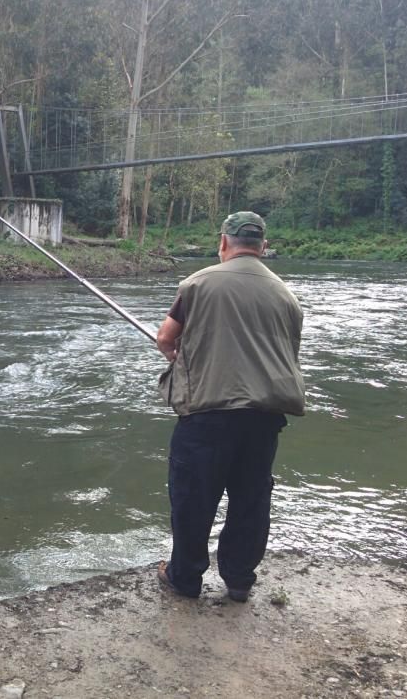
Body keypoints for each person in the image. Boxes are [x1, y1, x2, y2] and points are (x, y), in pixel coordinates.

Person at [154, 211, 305, 602]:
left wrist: (183, 358)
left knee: (194, 498)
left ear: (223, 242)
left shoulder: (198, 283)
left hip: (207, 415)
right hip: (264, 419)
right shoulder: (287, 297)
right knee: (250, 500)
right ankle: (238, 580)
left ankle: (184, 579)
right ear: (263, 247)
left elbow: (166, 338)